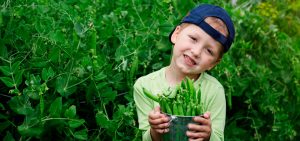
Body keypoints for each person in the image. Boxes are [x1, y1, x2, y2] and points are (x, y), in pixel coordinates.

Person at [133, 4, 235, 141]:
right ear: (176, 34)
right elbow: (146, 138)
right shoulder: (144, 85)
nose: (196, 52)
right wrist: (155, 130)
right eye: (193, 39)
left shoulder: (214, 91)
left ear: (213, 63)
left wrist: (208, 135)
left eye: (209, 51)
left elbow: (218, 138)